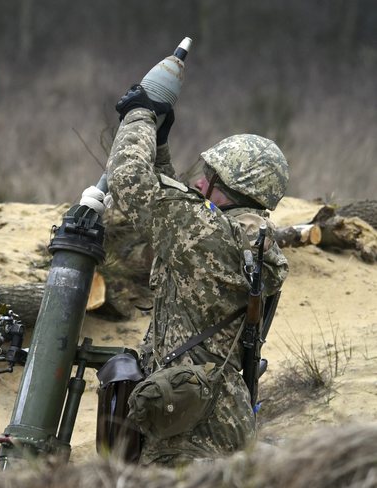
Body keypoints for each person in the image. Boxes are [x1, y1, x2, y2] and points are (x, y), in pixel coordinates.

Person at [99, 84, 289, 467]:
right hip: (220, 422)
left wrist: (139, 116)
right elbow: (180, 210)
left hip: (182, 436)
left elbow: (129, 181)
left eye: (209, 178)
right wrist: (161, 146)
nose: (200, 183)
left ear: (231, 189)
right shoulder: (243, 237)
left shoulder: (206, 231)